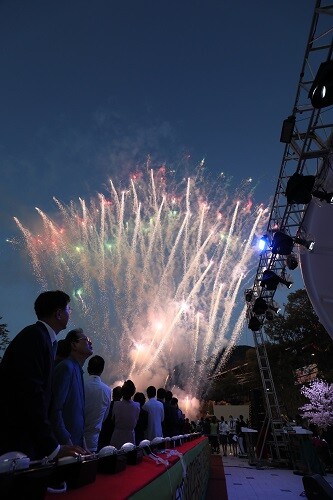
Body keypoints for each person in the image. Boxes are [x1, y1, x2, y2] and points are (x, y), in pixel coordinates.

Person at [0, 290, 86, 460]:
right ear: (58, 313)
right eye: (68, 309)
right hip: (16, 443)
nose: (70, 313)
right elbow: (31, 393)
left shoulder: (42, 338)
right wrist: (52, 447)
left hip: (26, 439)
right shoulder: (35, 338)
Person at [50, 328, 93, 448]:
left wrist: (83, 444)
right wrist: (67, 442)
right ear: (74, 345)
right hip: (65, 448)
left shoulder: (78, 370)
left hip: (75, 446)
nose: (90, 342)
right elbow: (55, 410)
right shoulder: (66, 368)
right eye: (86, 339)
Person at [84, 355, 111, 453]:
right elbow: (105, 415)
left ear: (88, 369)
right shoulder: (107, 390)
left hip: (76, 436)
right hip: (93, 438)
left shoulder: (82, 386)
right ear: (102, 370)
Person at [110, 380, 140, 449]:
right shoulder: (137, 406)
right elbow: (136, 419)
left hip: (117, 436)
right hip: (130, 437)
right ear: (133, 392)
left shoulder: (116, 405)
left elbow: (113, 420)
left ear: (122, 392)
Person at [97, 385, 122, 451]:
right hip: (116, 434)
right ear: (121, 396)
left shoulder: (108, 404)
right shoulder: (122, 407)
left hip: (105, 432)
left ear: (113, 394)